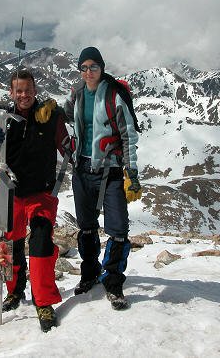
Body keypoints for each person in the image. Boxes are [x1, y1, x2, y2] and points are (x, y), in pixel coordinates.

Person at [0, 69, 69, 332]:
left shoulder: (50, 116)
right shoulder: (2, 120)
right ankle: (13, 290)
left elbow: (68, 147)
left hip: (41, 193)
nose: (24, 95)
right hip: (10, 192)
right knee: (9, 244)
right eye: (19, 91)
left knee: (41, 239)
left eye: (28, 90)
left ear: (35, 90)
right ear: (11, 93)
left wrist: (68, 135)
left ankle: (43, 301)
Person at [64, 46, 142, 310]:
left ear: (102, 68)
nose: (89, 72)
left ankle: (113, 280)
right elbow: (65, 116)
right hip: (82, 168)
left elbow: (128, 135)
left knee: (118, 229)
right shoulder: (77, 93)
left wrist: (131, 173)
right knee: (86, 226)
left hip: (110, 171)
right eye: (84, 68)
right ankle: (90, 273)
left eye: (93, 67)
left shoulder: (114, 95)